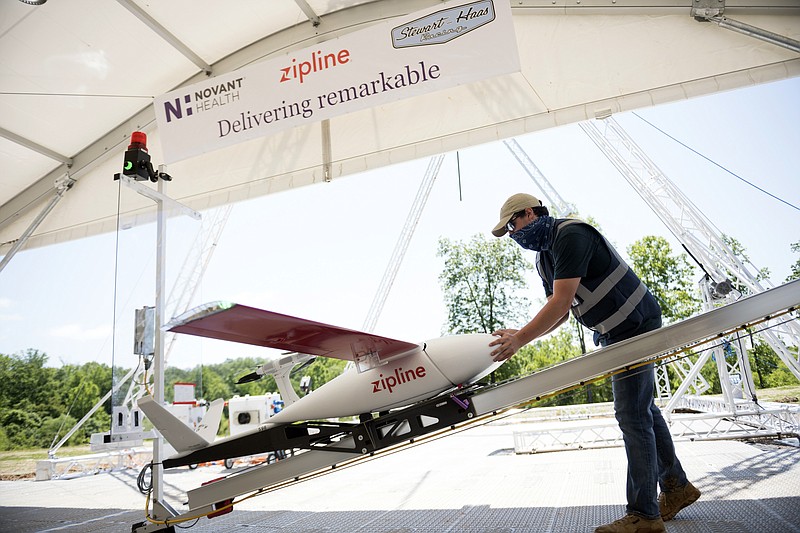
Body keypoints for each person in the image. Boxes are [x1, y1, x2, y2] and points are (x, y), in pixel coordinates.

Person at [488, 193, 700, 533]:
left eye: (513, 225)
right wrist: (522, 333)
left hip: (635, 324)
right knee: (642, 410)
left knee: (631, 414)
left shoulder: (570, 235)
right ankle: (677, 487)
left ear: (530, 213)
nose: (513, 235)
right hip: (616, 333)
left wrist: (519, 340)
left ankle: (645, 516)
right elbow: (561, 313)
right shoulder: (545, 259)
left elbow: (560, 302)